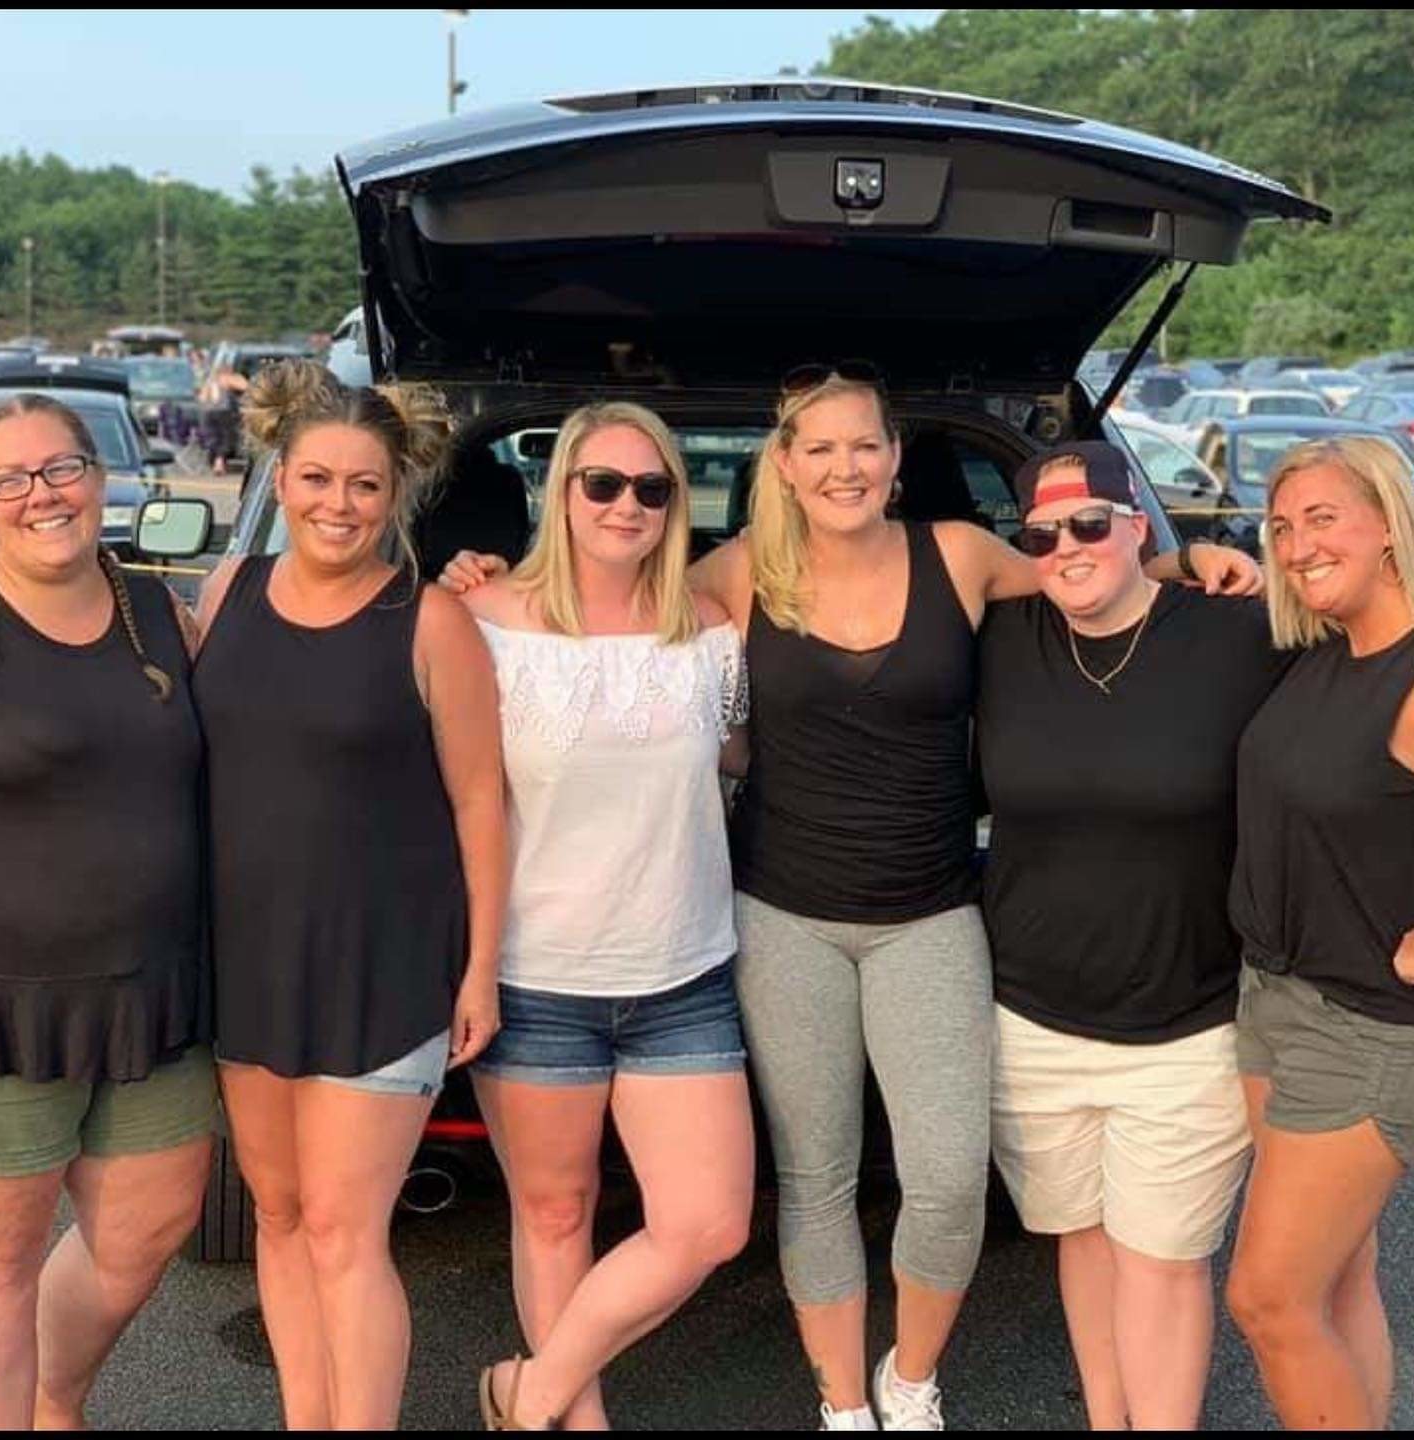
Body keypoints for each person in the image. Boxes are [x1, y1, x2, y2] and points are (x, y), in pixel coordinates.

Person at [442, 370, 1258, 1431]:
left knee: (950, 1181)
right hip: (776, 918)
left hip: (930, 911)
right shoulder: (736, 573)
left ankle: (909, 1381)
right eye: (819, 449)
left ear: (894, 456)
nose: (845, 468)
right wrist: (481, 573)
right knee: (810, 1179)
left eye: (865, 445)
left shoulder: (960, 554)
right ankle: (840, 1404)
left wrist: (1185, 559)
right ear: (784, 464)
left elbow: (1081, 568)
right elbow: (600, 608)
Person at [193, 361, 507, 1430]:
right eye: (318, 478)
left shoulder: (431, 622)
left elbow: (481, 803)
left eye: (365, 484)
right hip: (249, 961)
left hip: (386, 962)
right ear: (279, 478)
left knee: (343, 1230)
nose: (340, 504)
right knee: (280, 1219)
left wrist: (478, 970)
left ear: (396, 492)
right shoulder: (228, 595)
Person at [975, 442, 1286, 1429]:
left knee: (1164, 1258)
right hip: (1031, 1015)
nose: (1067, 548)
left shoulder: (1236, 634)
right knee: (1083, 1237)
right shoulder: (1001, 637)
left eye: (1089, 525)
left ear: (1138, 524)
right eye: (1042, 534)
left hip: (1188, 1021)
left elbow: (1371, 691)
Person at [462, 401, 753, 1431]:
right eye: (603, 483)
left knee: (710, 1225)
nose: (626, 505)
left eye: (651, 488)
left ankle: (528, 1393)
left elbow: (749, 757)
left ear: (676, 504)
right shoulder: (485, 620)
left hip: (683, 974)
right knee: (555, 1215)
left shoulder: (710, 632)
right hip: (537, 975)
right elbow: (461, 797)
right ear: (561, 493)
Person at [0, 393, 215, 1429]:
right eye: (9, 478)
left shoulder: (162, 614)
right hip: (3, 1003)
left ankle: (49, 1398)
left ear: (100, 477)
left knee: (146, 1229)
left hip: (157, 992)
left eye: (61, 468)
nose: (41, 495)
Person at [1226, 437, 1414, 1430]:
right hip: (1279, 997)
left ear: (1388, 524)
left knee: (1268, 1300)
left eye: (1324, 518)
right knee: (1337, 1279)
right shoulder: (1331, 652)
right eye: (1283, 526)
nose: (1298, 546)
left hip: (1370, 1028)